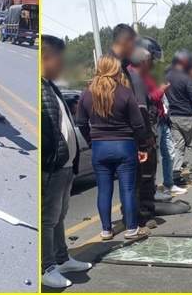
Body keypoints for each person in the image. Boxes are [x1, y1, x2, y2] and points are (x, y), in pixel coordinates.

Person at [76, 54, 150, 241]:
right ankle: (132, 228)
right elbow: (138, 124)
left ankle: (106, 230)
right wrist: (142, 146)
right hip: (124, 146)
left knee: (104, 190)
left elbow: (81, 123)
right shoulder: (125, 93)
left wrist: (92, 142)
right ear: (115, 70)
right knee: (127, 188)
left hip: (100, 148)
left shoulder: (87, 93)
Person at [41, 35, 91, 288]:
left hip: (65, 166)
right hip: (52, 168)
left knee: (59, 217)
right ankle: (45, 267)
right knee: (48, 220)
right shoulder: (38, 88)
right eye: (60, 61)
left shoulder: (50, 86)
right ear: (45, 57)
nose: (62, 66)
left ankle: (61, 258)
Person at [130, 40, 186, 200]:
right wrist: (161, 90)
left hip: (161, 118)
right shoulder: (135, 77)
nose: (152, 63)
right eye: (151, 59)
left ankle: (169, 183)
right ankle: (152, 190)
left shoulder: (146, 76)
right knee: (152, 160)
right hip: (151, 122)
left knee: (170, 153)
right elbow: (147, 100)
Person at [164, 49, 192, 185]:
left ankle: (176, 174)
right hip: (187, 116)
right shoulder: (186, 78)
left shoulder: (167, 78)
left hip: (173, 117)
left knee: (179, 147)